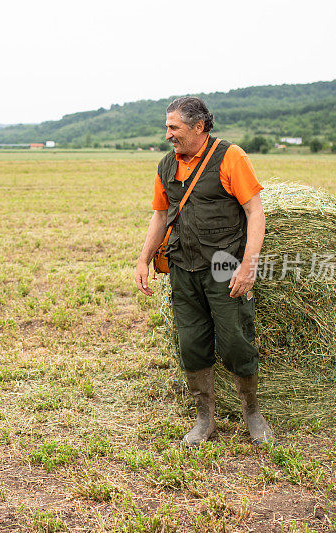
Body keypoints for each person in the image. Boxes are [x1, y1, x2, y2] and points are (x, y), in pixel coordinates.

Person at [134, 97, 273, 446]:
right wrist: (142, 258)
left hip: (224, 268)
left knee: (237, 341)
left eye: (173, 127)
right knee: (192, 344)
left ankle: (253, 414)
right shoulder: (166, 165)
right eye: (167, 127)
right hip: (183, 268)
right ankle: (204, 420)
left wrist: (249, 265)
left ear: (199, 127)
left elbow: (255, 213)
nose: (168, 134)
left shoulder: (231, 157)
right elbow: (161, 214)